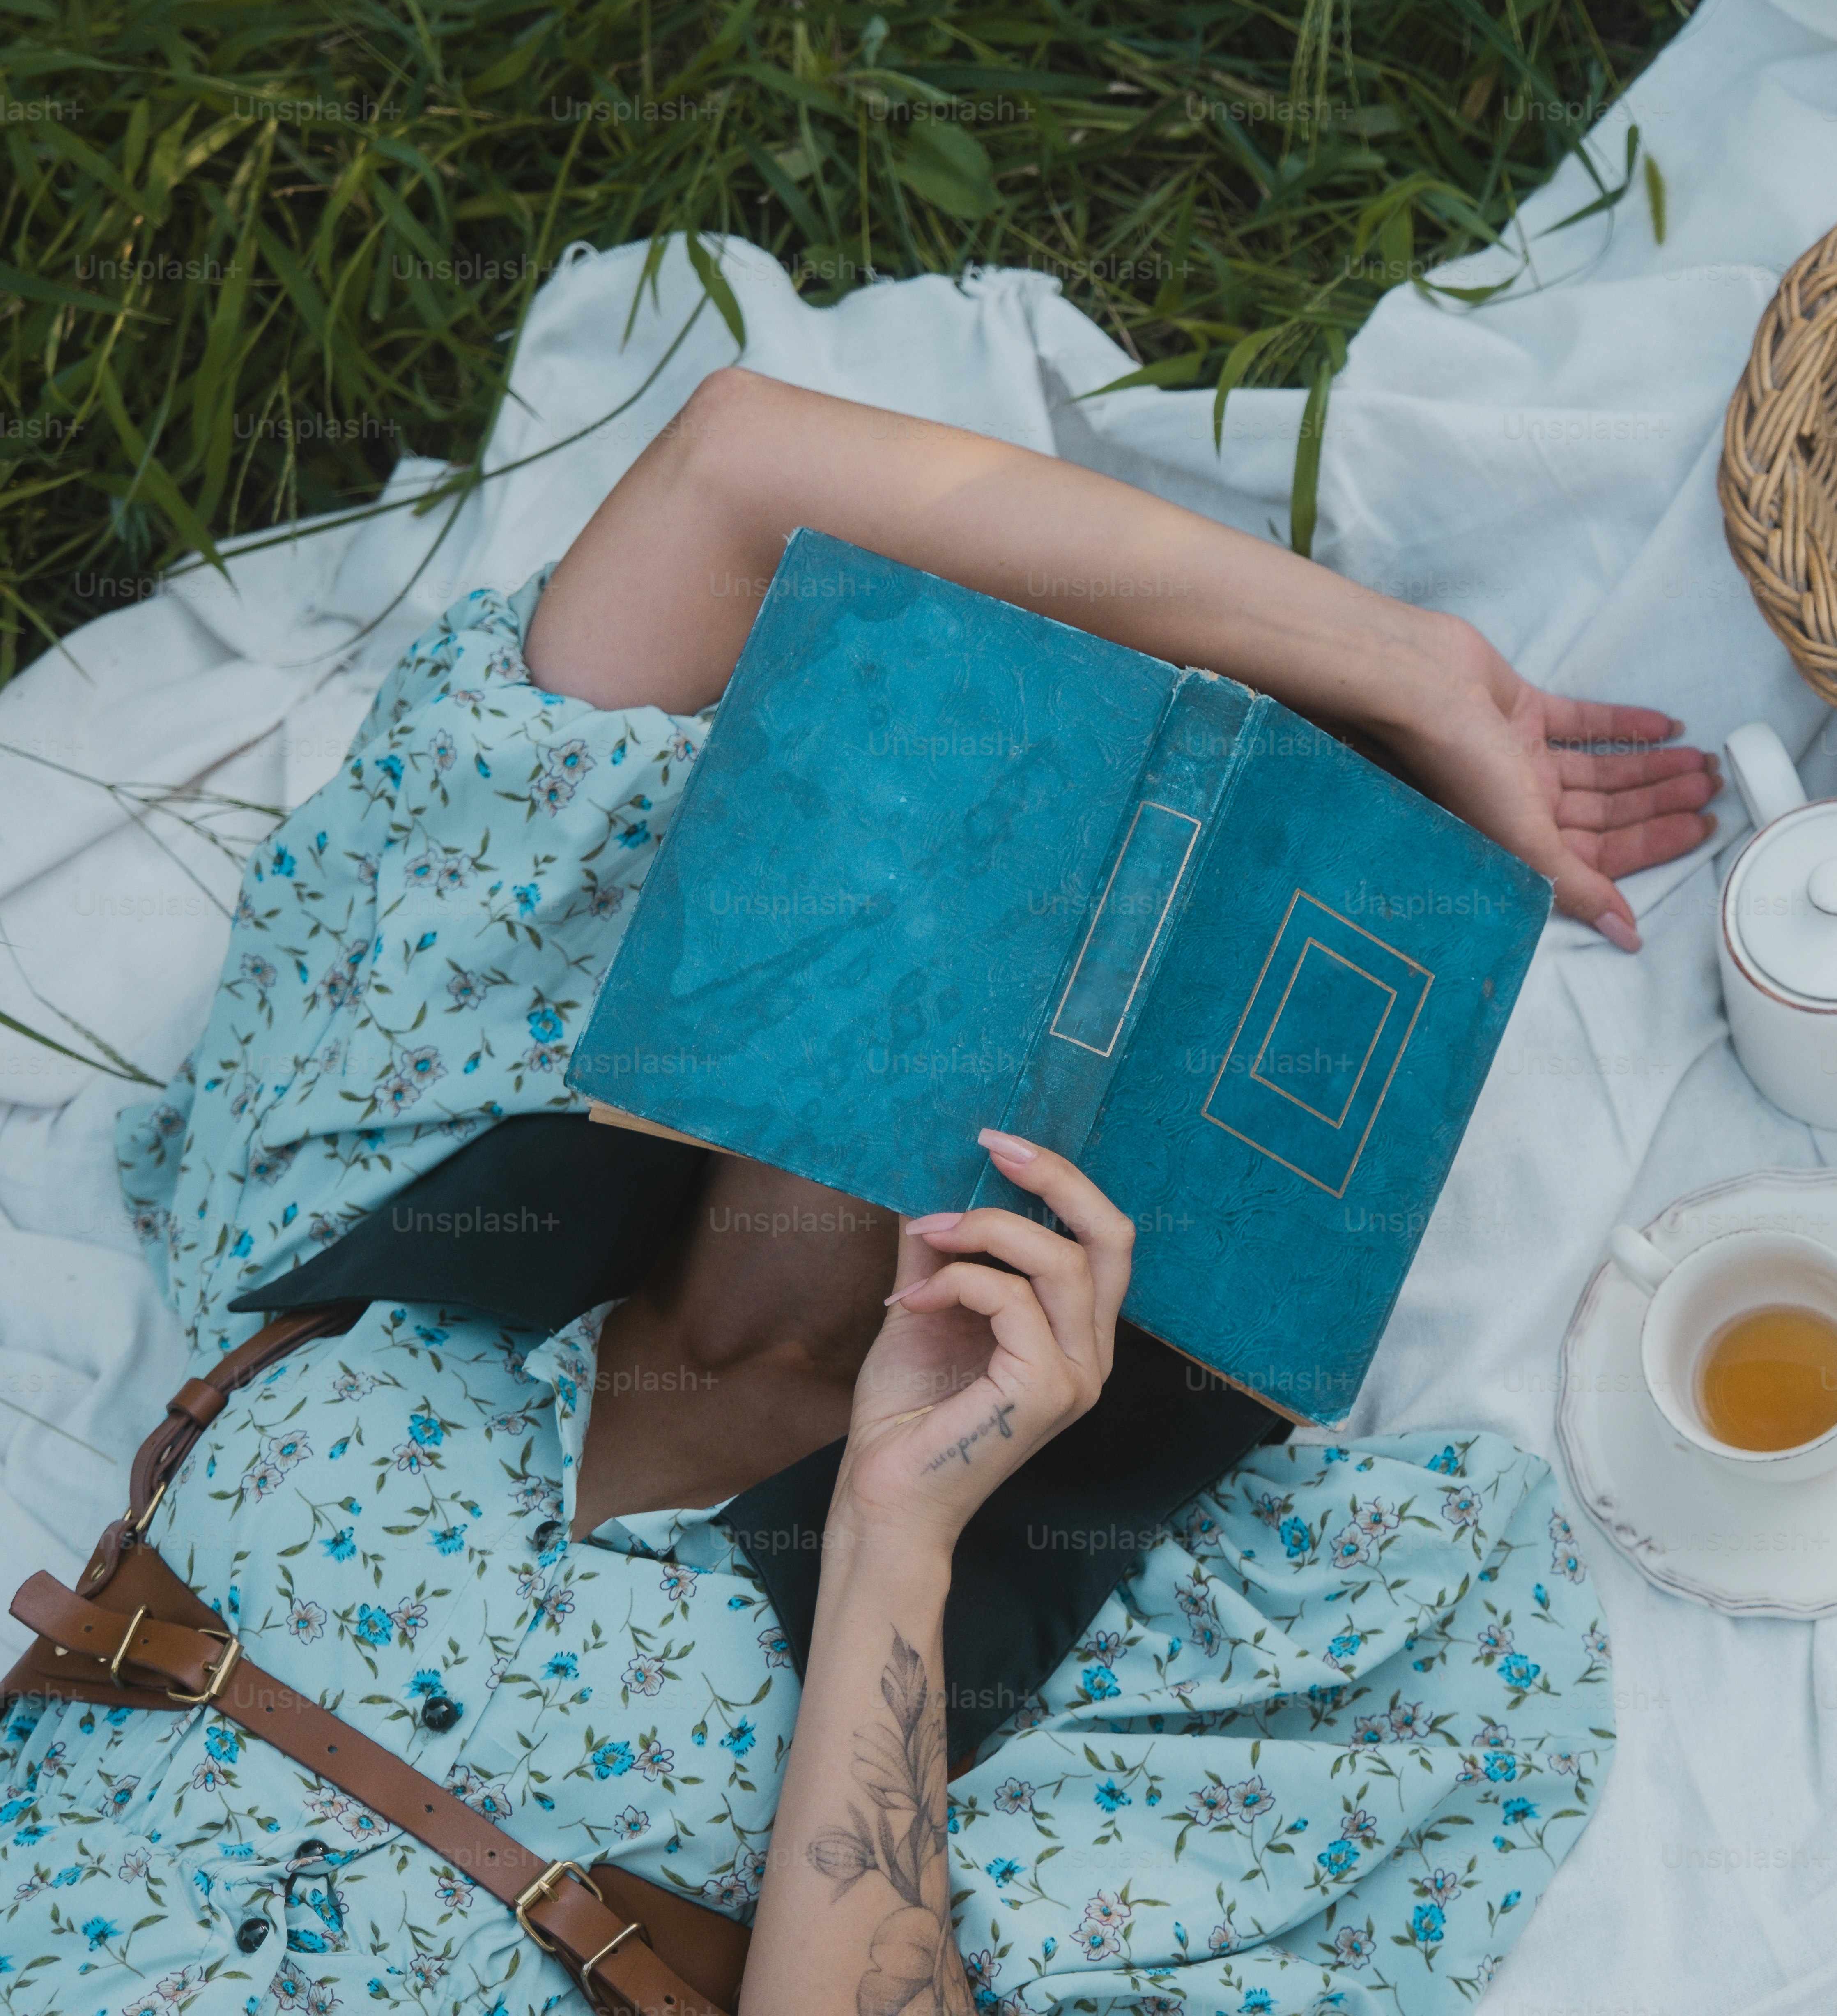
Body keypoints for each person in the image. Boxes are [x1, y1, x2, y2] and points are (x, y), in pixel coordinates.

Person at [1, 367, 1716, 2014]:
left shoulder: (1121, 1633)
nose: (1010, 1010)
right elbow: (734, 466)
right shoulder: (405, 1116)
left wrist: (898, 1536)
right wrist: (1411, 664)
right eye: (955, 853)